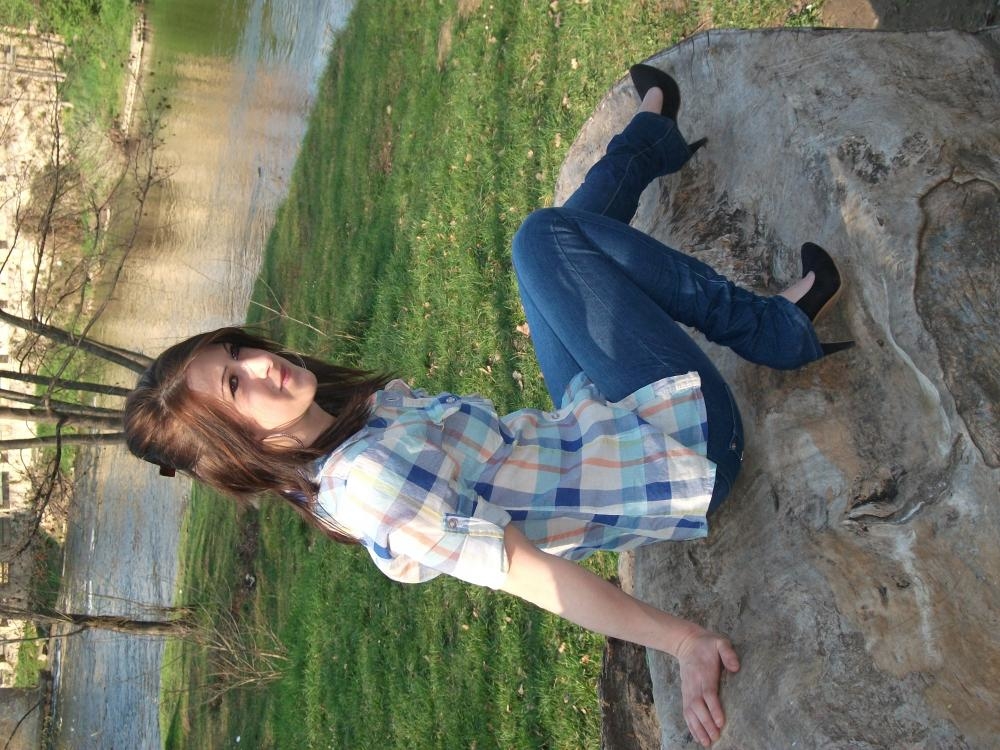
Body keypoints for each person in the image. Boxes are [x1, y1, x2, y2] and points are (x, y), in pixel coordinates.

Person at [124, 64, 849, 747]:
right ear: (237, 447)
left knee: (542, 251)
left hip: (590, 427)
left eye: (238, 352)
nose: (260, 364)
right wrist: (684, 641)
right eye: (235, 386)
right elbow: (533, 578)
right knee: (543, 240)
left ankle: (653, 139)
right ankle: (775, 328)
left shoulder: (341, 429)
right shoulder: (369, 485)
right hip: (683, 452)